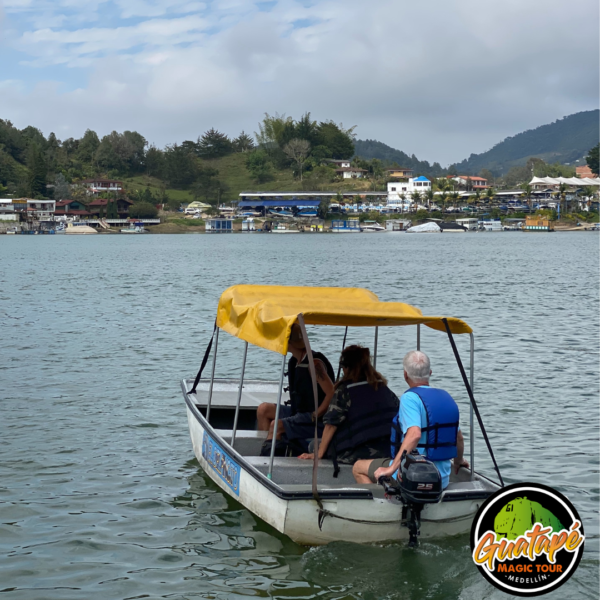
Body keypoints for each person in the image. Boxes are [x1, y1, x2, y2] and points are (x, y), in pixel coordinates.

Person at [352, 350, 469, 488]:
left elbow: (414, 434)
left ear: (405, 374)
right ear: (430, 372)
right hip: (441, 480)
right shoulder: (446, 398)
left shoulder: (410, 398)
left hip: (412, 477)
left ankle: (382, 504)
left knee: (358, 467)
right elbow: (458, 438)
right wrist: (458, 461)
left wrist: (390, 470)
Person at [298, 345, 399, 467]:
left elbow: (331, 425)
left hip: (358, 452)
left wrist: (319, 454)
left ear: (346, 367)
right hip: (389, 450)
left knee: (313, 444)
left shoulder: (345, 390)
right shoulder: (383, 387)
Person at [256, 323, 335, 455]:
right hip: (298, 413)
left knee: (276, 426)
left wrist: (315, 414)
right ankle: (267, 445)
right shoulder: (295, 361)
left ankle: (267, 460)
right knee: (263, 409)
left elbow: (331, 393)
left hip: (316, 420)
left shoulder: (314, 364)